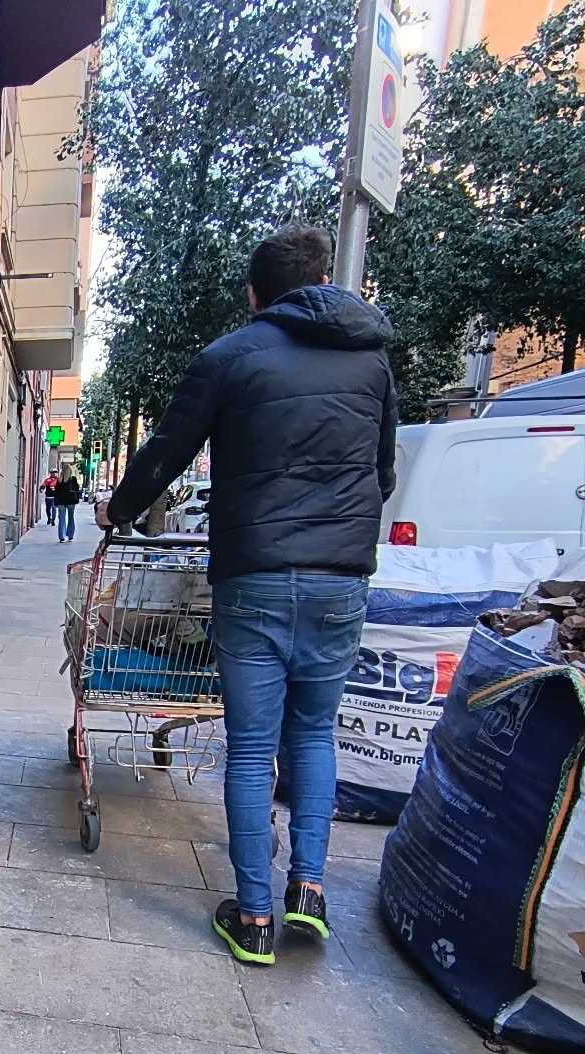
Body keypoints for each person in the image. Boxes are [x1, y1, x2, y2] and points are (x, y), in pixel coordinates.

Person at [105, 223, 396, 966]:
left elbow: (167, 449)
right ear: (324, 279)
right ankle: (309, 890)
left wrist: (120, 509)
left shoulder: (231, 356)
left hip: (258, 576)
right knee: (314, 736)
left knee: (252, 748)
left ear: (255, 293)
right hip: (339, 580)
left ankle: (255, 918)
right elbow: (383, 470)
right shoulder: (372, 362)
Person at [55, 469, 81, 543]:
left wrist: (56, 503)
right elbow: (77, 490)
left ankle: (62, 537)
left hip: (61, 502)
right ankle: (70, 536)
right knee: (71, 518)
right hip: (71, 501)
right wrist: (77, 500)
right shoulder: (73, 479)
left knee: (61, 519)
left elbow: (56, 492)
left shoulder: (59, 481)